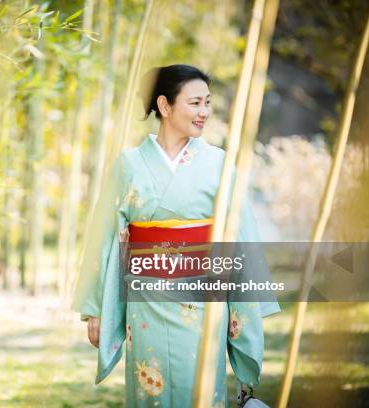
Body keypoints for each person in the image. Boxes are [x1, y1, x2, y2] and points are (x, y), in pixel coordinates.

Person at [71, 64, 280, 407]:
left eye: (207, 103)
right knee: (148, 388)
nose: (204, 113)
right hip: (146, 303)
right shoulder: (129, 164)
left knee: (200, 390)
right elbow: (104, 238)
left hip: (203, 303)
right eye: (195, 103)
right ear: (165, 106)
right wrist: (96, 310)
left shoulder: (219, 164)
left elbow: (241, 238)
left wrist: (247, 304)